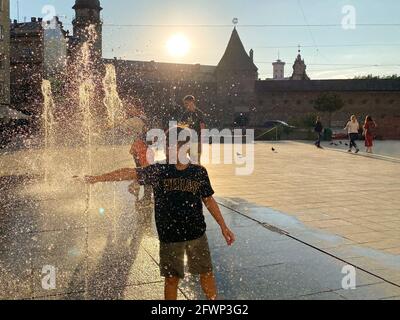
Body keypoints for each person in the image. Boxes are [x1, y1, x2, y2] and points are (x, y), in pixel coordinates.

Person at [84, 126, 235, 300]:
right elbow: (129, 172)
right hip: (169, 236)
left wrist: (223, 226)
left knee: (206, 274)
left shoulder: (198, 172)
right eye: (167, 145)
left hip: (196, 234)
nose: (167, 149)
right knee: (171, 279)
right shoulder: (159, 170)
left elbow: (208, 200)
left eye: (173, 145)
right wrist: (97, 178)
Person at [179, 95, 206, 164]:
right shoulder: (185, 114)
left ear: (192, 102)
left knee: (196, 161)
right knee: (188, 161)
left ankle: (198, 173)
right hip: (187, 141)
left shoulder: (199, 113)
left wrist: (201, 141)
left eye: (186, 103)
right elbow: (180, 127)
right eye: (184, 103)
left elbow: (202, 127)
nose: (185, 105)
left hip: (196, 140)